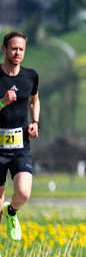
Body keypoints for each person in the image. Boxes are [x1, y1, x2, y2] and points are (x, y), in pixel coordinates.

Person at [0, 31, 40, 242]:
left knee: (23, 193)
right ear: (4, 49)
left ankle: (12, 211)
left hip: (19, 145)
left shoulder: (30, 76)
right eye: (14, 48)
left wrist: (35, 122)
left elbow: (34, 100)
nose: (17, 52)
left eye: (21, 49)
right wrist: (1, 102)